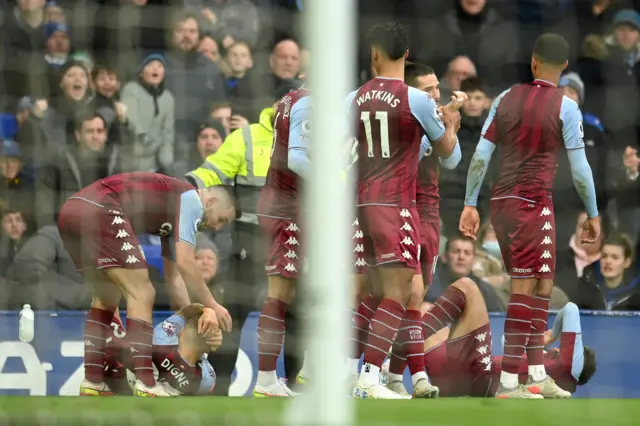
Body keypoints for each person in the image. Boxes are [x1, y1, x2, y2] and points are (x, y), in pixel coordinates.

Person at [459, 33, 600, 398]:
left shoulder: (505, 97)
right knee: (525, 287)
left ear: (533, 62)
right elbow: (580, 169)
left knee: (541, 286)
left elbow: (479, 156)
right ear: (565, 67)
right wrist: (593, 212)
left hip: (502, 204)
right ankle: (508, 382)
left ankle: (536, 374)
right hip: (532, 204)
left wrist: (470, 203)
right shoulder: (566, 106)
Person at [347, 21, 460, 399]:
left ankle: (334, 369)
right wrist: (452, 123)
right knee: (397, 295)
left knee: (364, 291)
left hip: (361, 204)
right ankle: (369, 378)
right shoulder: (418, 101)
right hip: (397, 205)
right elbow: (446, 153)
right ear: (407, 55)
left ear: (373, 54)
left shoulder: (356, 97)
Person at [57, 172, 235, 397]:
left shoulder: (175, 216)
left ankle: (93, 382)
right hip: (100, 207)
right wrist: (213, 304)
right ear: (211, 202)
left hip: (71, 212)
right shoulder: (191, 198)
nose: (217, 227)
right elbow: (187, 262)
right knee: (142, 291)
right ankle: (146, 381)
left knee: (106, 296)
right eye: (221, 219)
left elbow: (174, 279)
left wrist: (197, 316)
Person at [385, 62, 464, 398]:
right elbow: (412, 157)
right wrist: (441, 125)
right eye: (427, 89)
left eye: (436, 88)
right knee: (412, 294)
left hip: (431, 215)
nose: (435, 94)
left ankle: (392, 375)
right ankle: (417, 377)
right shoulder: (400, 122)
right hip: (402, 210)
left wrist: (447, 125)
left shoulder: (433, 117)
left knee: (420, 294)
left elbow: (453, 159)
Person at [397, 279, 597, 397]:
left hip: (478, 380)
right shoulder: (542, 366)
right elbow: (506, 344)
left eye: (562, 350)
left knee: (467, 286)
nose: (556, 349)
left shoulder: (569, 371)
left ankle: (395, 352)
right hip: (459, 381)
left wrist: (552, 335)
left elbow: (571, 309)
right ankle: (393, 364)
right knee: (424, 314)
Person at [251, 83, 310, 397]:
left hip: (282, 204)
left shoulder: (289, 98)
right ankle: (265, 380)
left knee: (288, 294)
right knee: (279, 294)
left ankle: (271, 379)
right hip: (286, 208)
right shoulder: (310, 102)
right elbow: (298, 160)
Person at [104, 304, 223, 396]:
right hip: (123, 376)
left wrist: (207, 311)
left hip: (114, 369)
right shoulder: (206, 379)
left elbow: (185, 312)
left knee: (110, 309)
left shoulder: (162, 339)